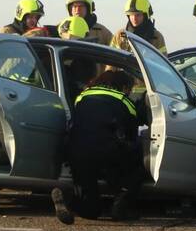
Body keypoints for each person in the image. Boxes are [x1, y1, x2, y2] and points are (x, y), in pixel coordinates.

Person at [51, 70, 145, 223]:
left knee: (92, 210)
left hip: (77, 153)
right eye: (130, 89)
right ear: (123, 86)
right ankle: (121, 202)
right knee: (137, 167)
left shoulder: (82, 96)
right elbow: (131, 133)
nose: (130, 92)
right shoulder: (125, 101)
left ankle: (67, 200)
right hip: (107, 151)